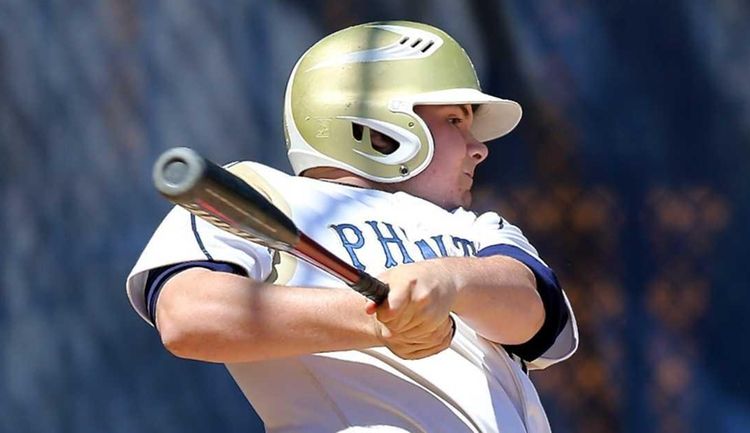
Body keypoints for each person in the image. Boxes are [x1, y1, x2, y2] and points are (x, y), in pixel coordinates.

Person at [127, 20, 577, 433]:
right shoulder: (265, 194)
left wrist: (447, 281)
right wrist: (375, 323)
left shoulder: (481, 230)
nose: (478, 148)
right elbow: (188, 316)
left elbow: (537, 318)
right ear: (379, 131)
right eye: (455, 120)